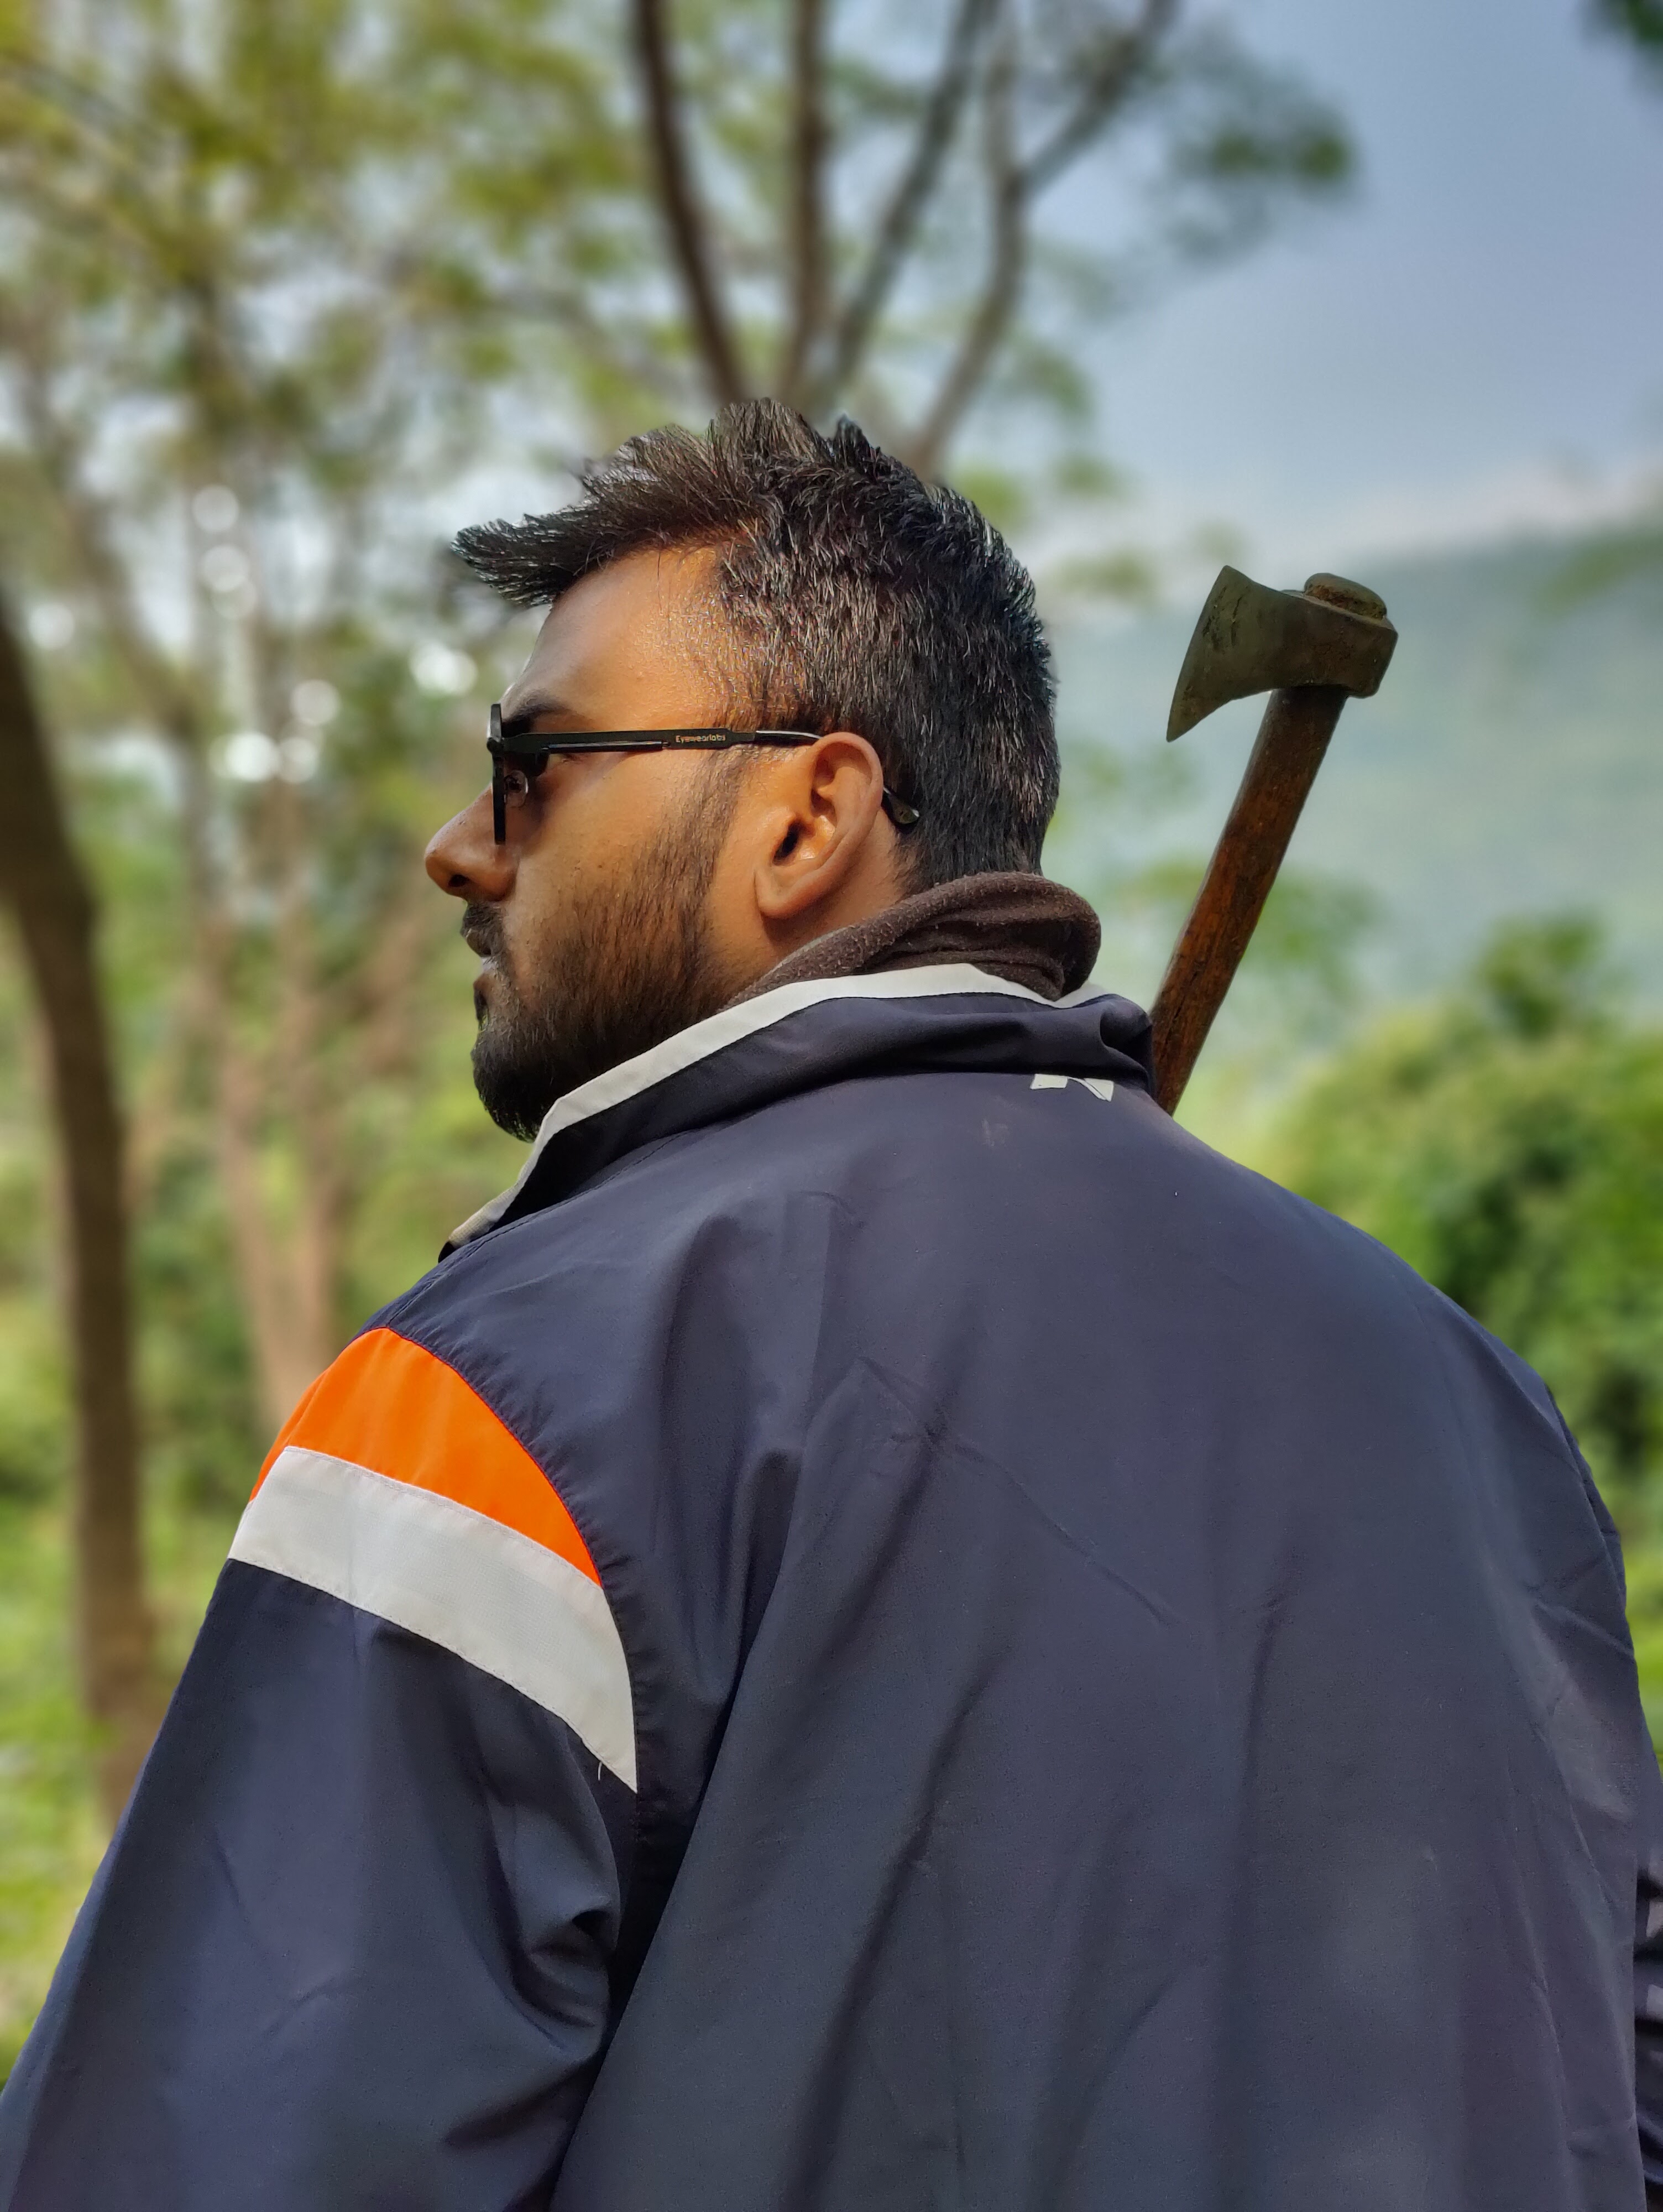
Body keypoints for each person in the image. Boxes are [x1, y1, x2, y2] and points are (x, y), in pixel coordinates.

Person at [2, 401, 1661, 2212]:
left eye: (534, 764)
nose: (463, 851)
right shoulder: (1479, 1414)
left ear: (808, 816)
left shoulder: (516, 1399)